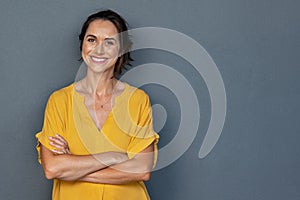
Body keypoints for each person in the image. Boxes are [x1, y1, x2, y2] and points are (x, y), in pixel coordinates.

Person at [35, 9, 159, 200]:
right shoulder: (59, 101)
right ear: (82, 45)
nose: (99, 49)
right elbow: (52, 168)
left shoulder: (138, 100)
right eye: (91, 40)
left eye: (109, 42)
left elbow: (141, 170)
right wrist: (113, 156)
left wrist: (74, 165)